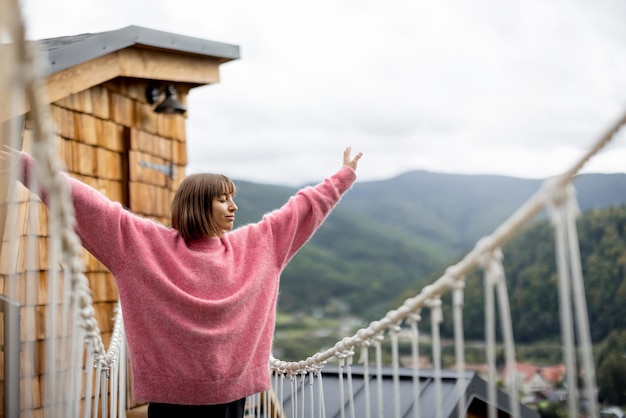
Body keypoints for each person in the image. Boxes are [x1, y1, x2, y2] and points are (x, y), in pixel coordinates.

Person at [6, 145, 362, 418]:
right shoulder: (144, 246)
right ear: (197, 205)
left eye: (233, 198)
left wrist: (343, 176)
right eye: (222, 199)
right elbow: (88, 204)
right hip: (181, 399)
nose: (233, 206)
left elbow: (302, 209)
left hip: (218, 397)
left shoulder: (256, 245)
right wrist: (26, 165)